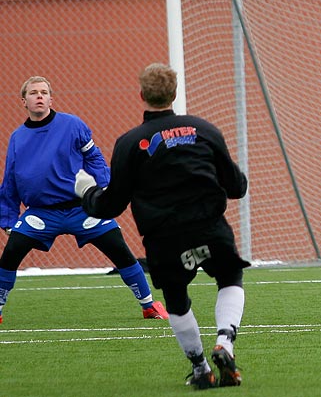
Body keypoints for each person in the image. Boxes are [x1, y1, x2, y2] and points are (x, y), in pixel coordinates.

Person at [76, 63, 249, 389]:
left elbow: (111, 205)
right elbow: (237, 187)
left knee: (177, 298)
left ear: (142, 95)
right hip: (210, 227)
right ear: (174, 93)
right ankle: (225, 343)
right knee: (229, 277)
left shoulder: (130, 142)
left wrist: (86, 191)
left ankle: (200, 369)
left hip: (165, 237)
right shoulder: (205, 130)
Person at [0, 76, 167, 325]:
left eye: (44, 92)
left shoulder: (72, 125)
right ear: (23, 101)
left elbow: (95, 158)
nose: (39, 96)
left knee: (119, 249)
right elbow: (10, 180)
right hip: (41, 213)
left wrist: (105, 190)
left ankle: (148, 304)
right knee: (11, 252)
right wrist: (8, 216)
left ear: (51, 98)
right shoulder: (17, 137)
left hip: (82, 209)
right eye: (33, 93)